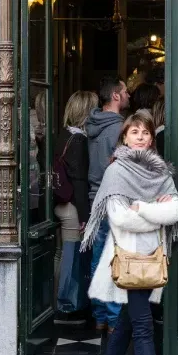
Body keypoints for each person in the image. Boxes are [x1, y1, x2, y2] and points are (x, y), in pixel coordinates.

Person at [83, 110, 178, 355]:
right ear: (124, 136)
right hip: (127, 259)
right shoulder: (116, 171)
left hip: (152, 259)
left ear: (152, 138)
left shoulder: (161, 173)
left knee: (126, 322)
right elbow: (120, 219)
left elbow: (174, 212)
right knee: (142, 327)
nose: (140, 136)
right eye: (134, 131)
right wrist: (152, 210)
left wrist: (140, 207)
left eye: (146, 132)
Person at [85, 76, 130, 332]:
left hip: (95, 199)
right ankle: (113, 320)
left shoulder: (92, 125)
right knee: (115, 259)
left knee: (98, 258)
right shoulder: (119, 129)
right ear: (115, 95)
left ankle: (100, 315)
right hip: (114, 199)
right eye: (125, 92)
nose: (128, 96)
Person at [54, 90, 98, 320]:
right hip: (73, 207)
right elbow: (80, 181)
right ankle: (67, 305)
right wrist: (84, 215)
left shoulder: (63, 135)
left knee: (61, 255)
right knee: (71, 257)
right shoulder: (79, 141)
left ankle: (58, 301)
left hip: (61, 203)